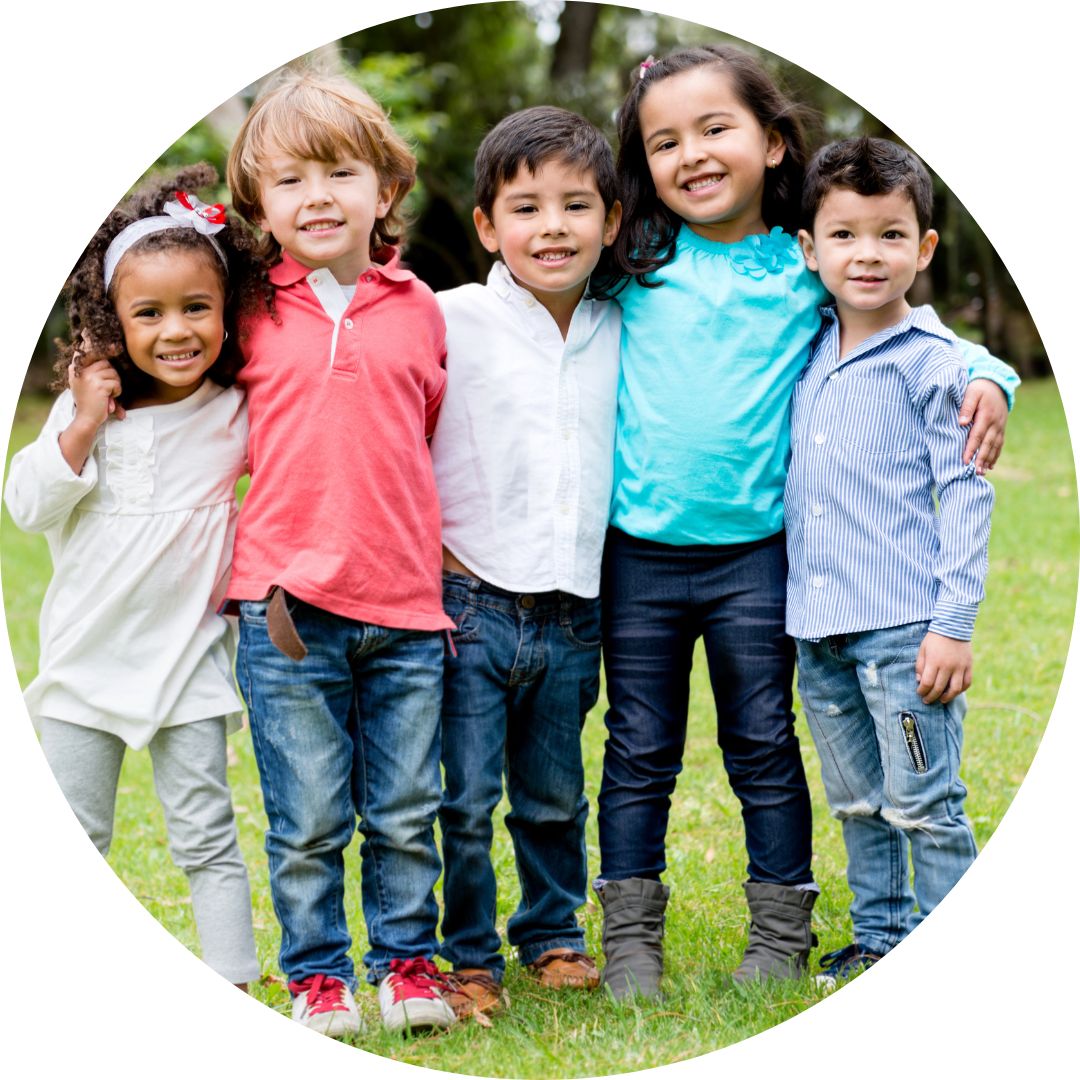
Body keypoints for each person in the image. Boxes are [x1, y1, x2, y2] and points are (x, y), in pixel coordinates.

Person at [590, 44, 1019, 998]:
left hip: (759, 560)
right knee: (638, 746)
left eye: (715, 129)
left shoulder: (805, 264)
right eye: (665, 141)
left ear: (774, 142)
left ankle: (782, 932)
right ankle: (628, 940)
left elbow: (908, 322)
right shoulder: (631, 264)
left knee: (763, 743)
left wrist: (990, 371)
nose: (692, 153)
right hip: (639, 560)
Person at [224, 69, 456, 1037]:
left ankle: (406, 965)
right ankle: (318, 977)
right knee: (310, 816)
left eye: (340, 172)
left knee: (406, 810)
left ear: (386, 189)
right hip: (285, 613)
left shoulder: (420, 307)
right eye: (290, 181)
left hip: (405, 608)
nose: (317, 196)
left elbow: (432, 434)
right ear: (259, 206)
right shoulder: (244, 312)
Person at [4, 164, 264, 991]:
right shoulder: (95, 419)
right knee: (75, 832)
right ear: (112, 321)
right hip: (85, 665)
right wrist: (79, 422)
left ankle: (234, 976)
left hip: (187, 665)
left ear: (227, 312)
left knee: (206, 835)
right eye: (147, 313)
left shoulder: (233, 413)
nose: (176, 330)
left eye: (197, 308)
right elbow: (26, 506)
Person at [429, 106, 621, 1019]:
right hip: (467, 598)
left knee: (553, 791)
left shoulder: (625, 327)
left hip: (575, 605)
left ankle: (550, 932)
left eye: (577, 205)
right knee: (461, 799)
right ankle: (465, 953)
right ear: (485, 225)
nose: (553, 227)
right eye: (527, 206)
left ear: (612, 220)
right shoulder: (447, 320)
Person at [788, 136, 992, 988]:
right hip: (819, 634)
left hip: (902, 635)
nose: (866, 254)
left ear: (925, 248)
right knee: (858, 802)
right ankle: (880, 940)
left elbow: (969, 495)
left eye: (889, 235)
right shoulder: (803, 352)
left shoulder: (936, 366)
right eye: (843, 234)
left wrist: (952, 626)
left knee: (924, 805)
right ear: (809, 247)